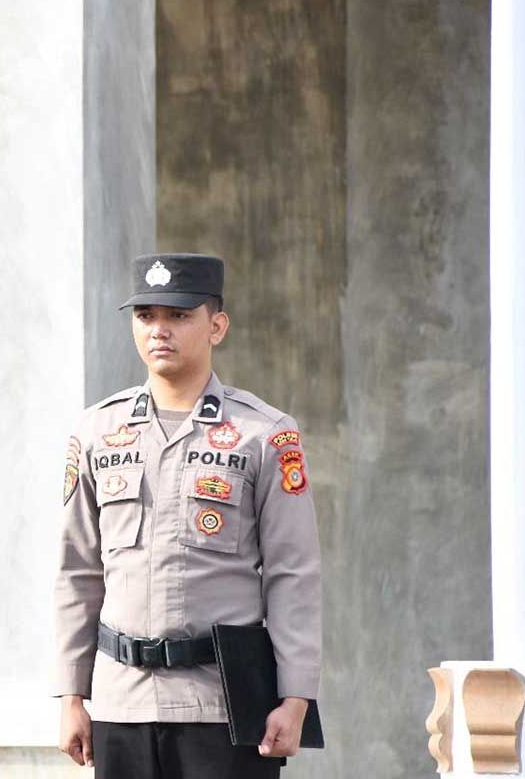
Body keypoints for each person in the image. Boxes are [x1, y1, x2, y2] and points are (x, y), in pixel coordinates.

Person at [53, 253, 321, 778]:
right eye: (146, 316)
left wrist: (296, 695)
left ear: (216, 325)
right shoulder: (96, 432)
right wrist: (70, 694)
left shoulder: (264, 435)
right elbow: (76, 571)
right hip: (120, 704)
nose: (159, 330)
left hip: (221, 707)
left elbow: (294, 572)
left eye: (178, 316)